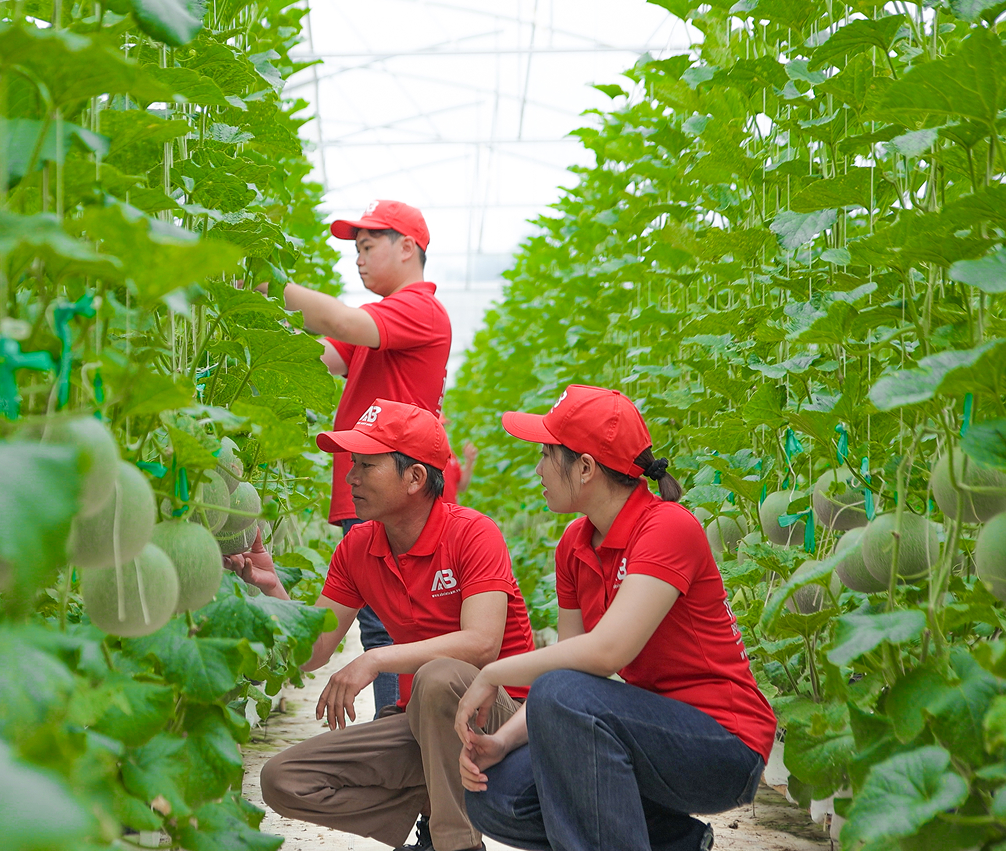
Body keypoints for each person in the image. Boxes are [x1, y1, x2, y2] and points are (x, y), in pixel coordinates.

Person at [452, 385, 776, 851]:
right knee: (495, 794)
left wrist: (492, 672)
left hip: (723, 743)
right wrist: (502, 742)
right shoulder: (574, 545)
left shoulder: (667, 527)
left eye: (546, 454)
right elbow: (570, 668)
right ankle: (677, 842)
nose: (538, 469)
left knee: (560, 692)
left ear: (585, 467)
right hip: (649, 737)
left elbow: (606, 654)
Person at [229, 400, 534, 851]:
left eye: (366, 465)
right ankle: (433, 798)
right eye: (352, 464)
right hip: (421, 721)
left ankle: (454, 843)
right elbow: (312, 652)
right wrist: (272, 589)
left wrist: (375, 659)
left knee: (438, 676)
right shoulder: (358, 547)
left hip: (504, 722)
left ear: (415, 478)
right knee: (283, 780)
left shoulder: (473, 533)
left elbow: (482, 644)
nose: (350, 478)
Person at [281, 200, 452, 718]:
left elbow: (340, 319)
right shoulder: (382, 324)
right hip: (374, 484)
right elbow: (318, 356)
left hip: (397, 487)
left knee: (391, 622)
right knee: (382, 620)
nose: (357, 258)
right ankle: (398, 732)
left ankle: (397, 733)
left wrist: (263, 281)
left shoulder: (418, 308)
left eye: (367, 245)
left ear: (407, 247)